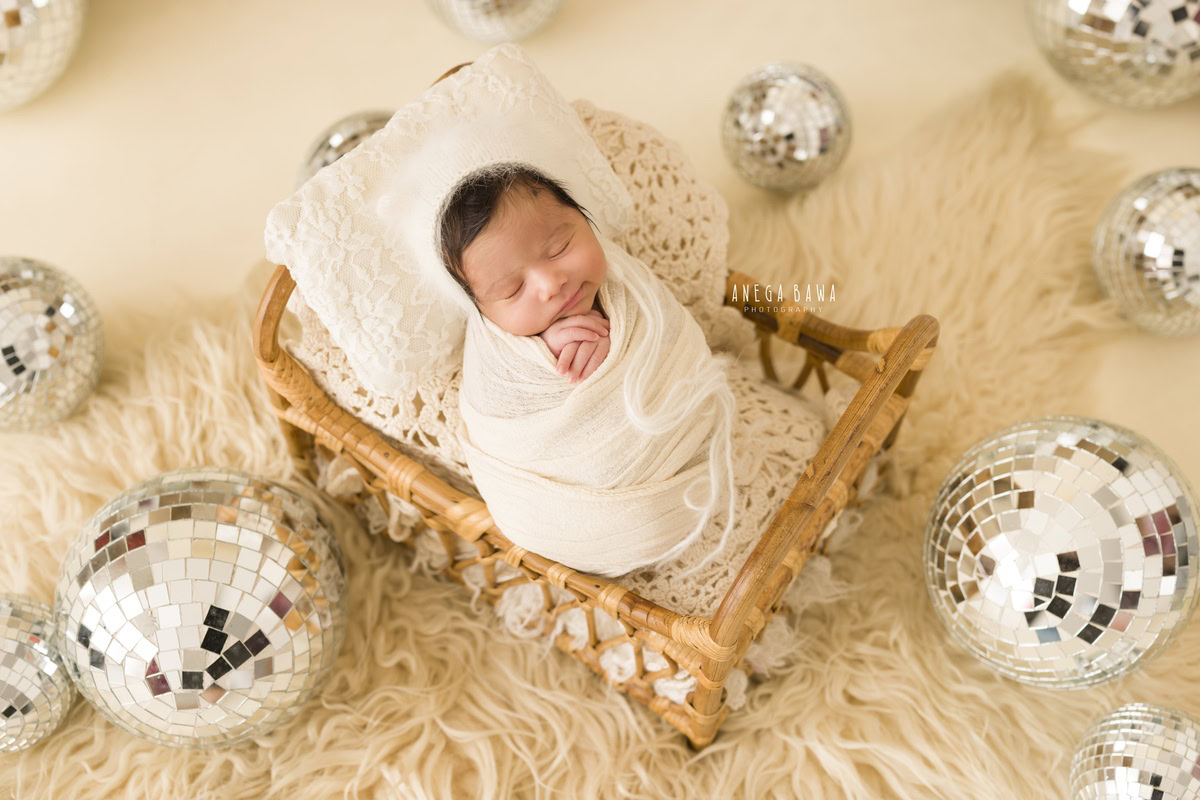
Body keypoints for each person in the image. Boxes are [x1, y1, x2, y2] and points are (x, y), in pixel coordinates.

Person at [439, 164, 613, 384]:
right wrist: (544, 353)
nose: (550, 285)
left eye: (560, 247)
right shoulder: (496, 360)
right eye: (513, 289)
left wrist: (614, 340)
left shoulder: (623, 275)